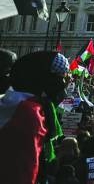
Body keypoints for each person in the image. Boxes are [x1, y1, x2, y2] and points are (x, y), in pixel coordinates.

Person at [0, 50, 71, 184]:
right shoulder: (28, 112)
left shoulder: (19, 105)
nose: (63, 85)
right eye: (61, 78)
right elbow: (24, 170)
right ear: (44, 78)